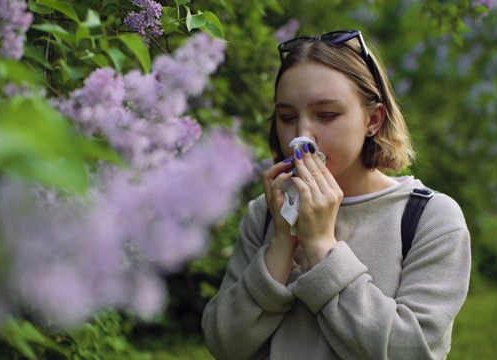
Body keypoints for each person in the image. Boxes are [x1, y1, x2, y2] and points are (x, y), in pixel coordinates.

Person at [201, 30, 471, 360]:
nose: (301, 136)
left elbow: (413, 351)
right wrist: (283, 243)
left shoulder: (431, 218)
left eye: (326, 115)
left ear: (373, 119)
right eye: (287, 117)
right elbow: (223, 345)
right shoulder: (264, 213)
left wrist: (319, 247)